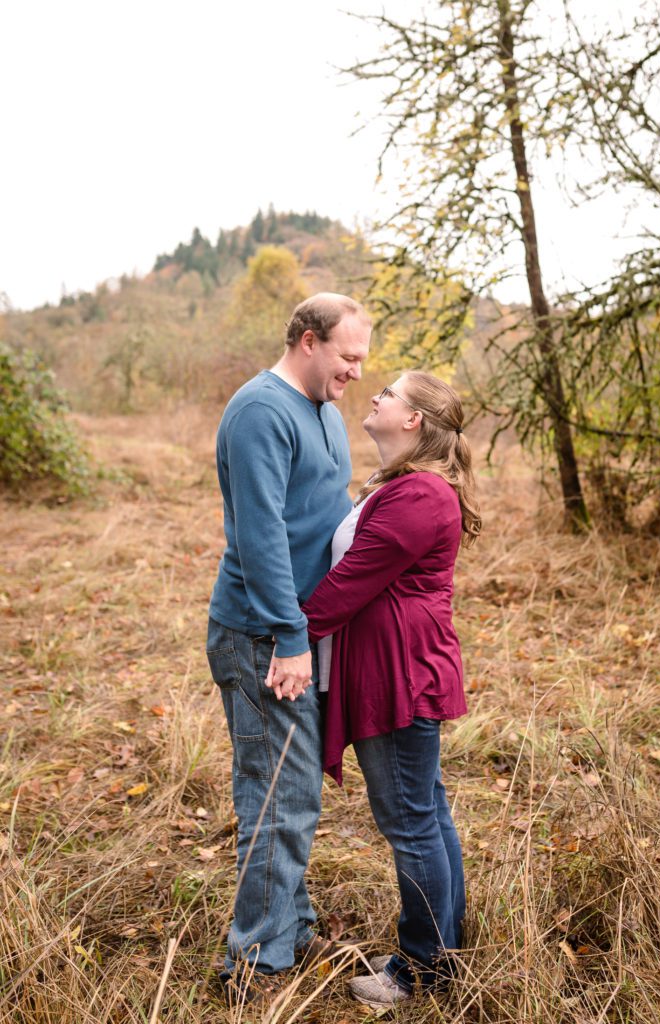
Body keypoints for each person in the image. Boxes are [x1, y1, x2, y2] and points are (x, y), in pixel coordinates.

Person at [205, 293, 371, 1006]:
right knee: (275, 795)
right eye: (347, 357)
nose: (356, 374)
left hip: (298, 633)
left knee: (295, 790)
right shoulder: (259, 413)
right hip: (261, 636)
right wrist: (291, 637)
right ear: (308, 341)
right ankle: (255, 963)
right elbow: (261, 536)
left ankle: (288, 925)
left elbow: (323, 508)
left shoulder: (324, 412)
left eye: (362, 360)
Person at [297, 370, 481, 1008]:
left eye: (388, 394)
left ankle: (422, 967)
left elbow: (349, 585)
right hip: (398, 666)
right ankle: (447, 946)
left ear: (413, 421)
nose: (374, 397)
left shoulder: (420, 497)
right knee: (426, 813)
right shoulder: (407, 487)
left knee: (410, 821)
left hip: (397, 675)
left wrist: (284, 637)